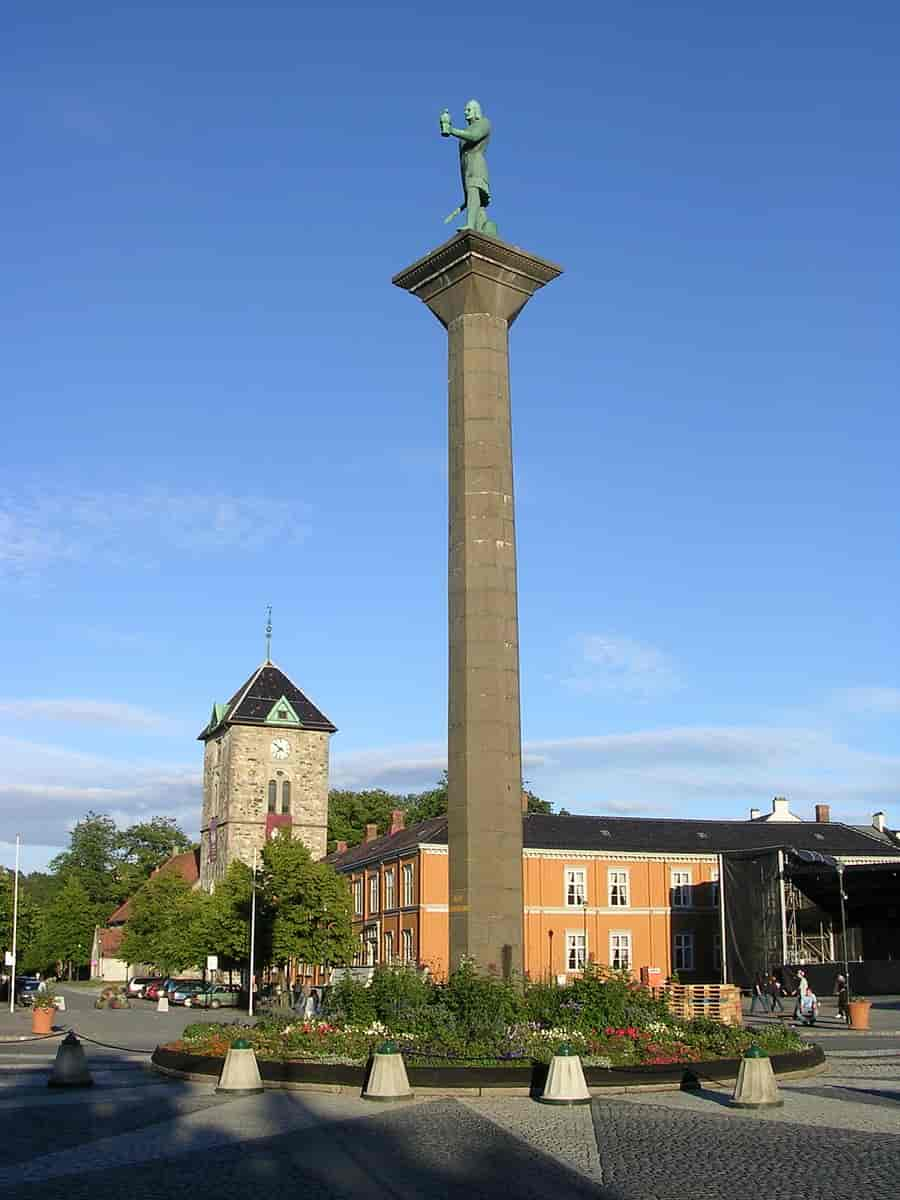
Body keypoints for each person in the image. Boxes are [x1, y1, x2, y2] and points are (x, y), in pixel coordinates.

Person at [442, 99, 494, 234]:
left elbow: (474, 136)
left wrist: (451, 130)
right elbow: (462, 159)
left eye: (468, 109)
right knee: (477, 206)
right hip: (467, 169)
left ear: (476, 111)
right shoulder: (464, 133)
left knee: (474, 192)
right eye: (465, 110)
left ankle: (470, 225)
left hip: (477, 165)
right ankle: (483, 231)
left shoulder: (484, 123)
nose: (465, 112)